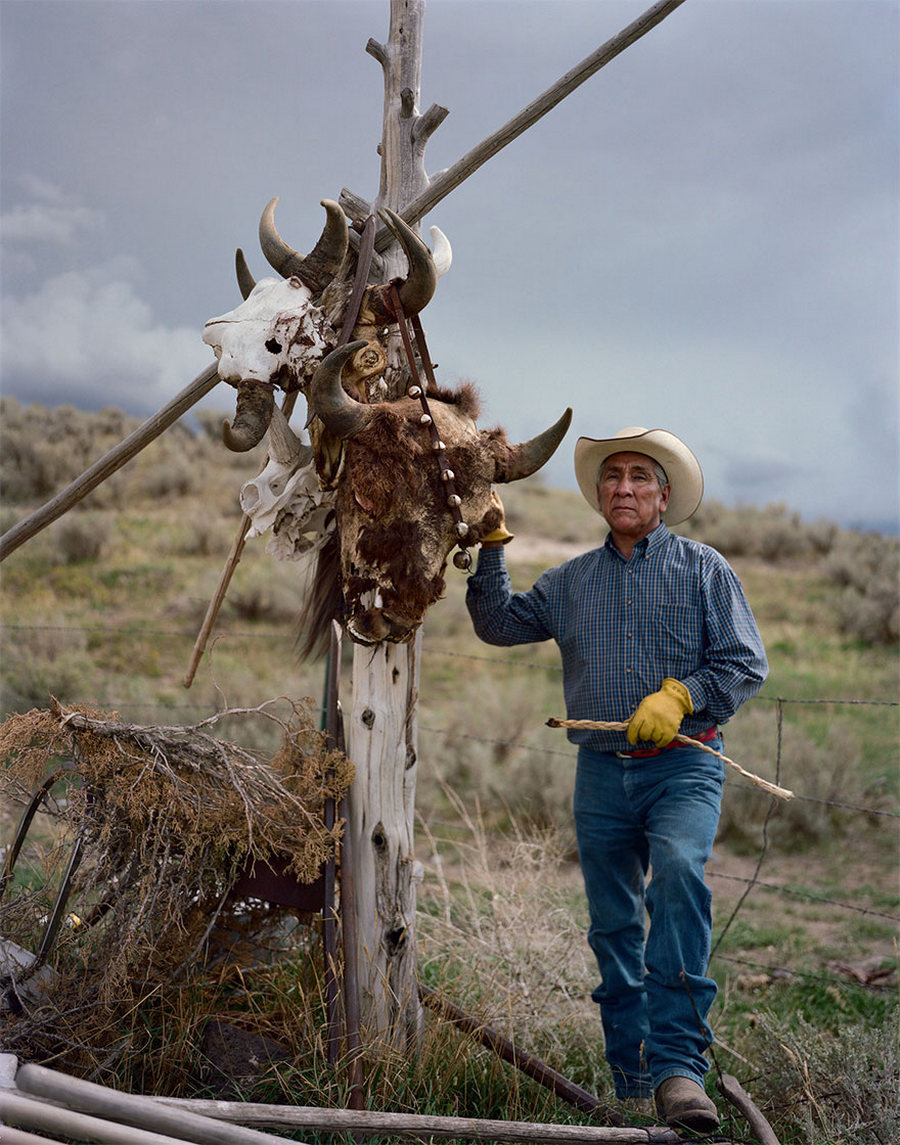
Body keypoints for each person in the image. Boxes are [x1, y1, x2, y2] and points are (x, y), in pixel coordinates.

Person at [466, 426, 768, 1134]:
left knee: (681, 875)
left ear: (664, 496)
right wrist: (488, 547)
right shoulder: (571, 581)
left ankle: (678, 1070)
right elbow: (499, 624)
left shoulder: (704, 571)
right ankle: (630, 1077)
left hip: (685, 764)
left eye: (639, 477)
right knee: (612, 925)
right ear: (600, 494)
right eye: (613, 477)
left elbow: (743, 663)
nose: (624, 487)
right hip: (600, 772)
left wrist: (681, 696)